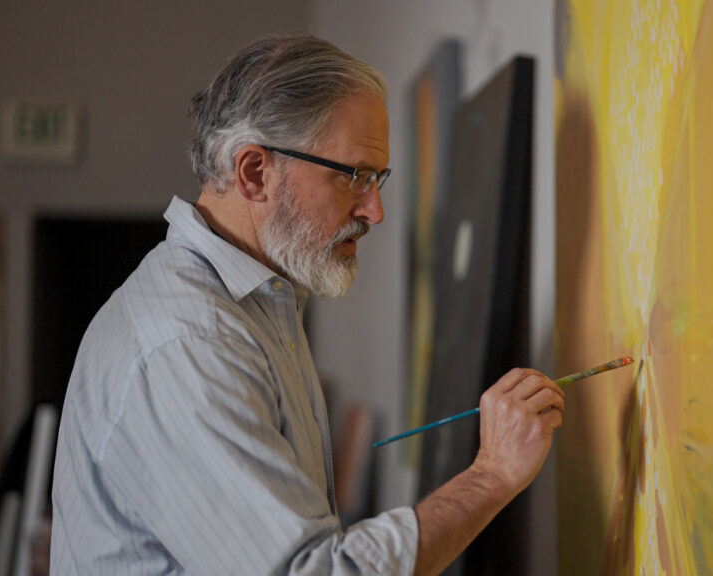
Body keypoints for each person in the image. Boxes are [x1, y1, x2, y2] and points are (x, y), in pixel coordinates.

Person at [50, 33, 564, 576]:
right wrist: (492, 475)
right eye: (354, 176)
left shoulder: (259, 306)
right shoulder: (188, 342)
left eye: (378, 179)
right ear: (254, 173)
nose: (374, 211)